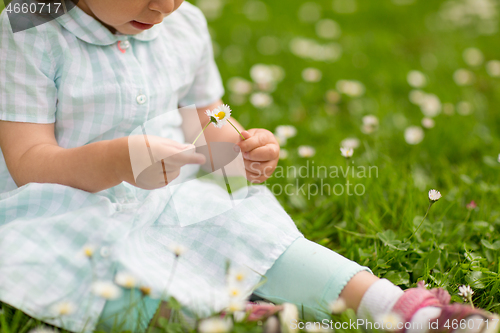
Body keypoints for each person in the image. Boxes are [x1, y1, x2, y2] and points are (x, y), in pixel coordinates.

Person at [0, 1, 497, 333]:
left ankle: (393, 307)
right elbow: (28, 162)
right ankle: (227, 320)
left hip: (165, 188)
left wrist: (237, 143)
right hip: (62, 202)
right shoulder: (30, 32)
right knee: (74, 264)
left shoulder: (182, 24)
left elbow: (208, 111)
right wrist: (113, 159)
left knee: (245, 226)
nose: (163, 5)